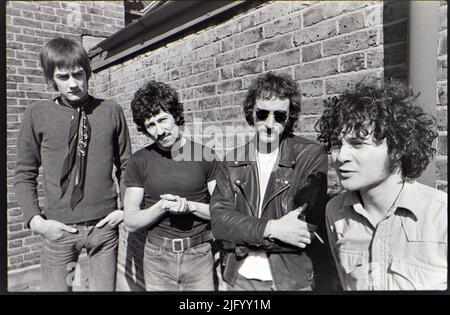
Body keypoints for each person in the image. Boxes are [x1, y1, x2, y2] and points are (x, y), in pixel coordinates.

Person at [14, 37, 131, 291]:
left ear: (88, 73)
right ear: (51, 79)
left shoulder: (111, 111)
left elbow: (127, 166)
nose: (74, 84)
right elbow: (24, 173)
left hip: (104, 229)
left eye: (78, 75)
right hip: (59, 231)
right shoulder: (37, 115)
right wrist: (37, 222)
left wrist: (124, 209)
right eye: (63, 77)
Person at [315, 80, 447, 290]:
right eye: (337, 144)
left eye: (358, 144)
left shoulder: (441, 215)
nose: (341, 157)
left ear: (397, 149)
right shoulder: (335, 212)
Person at [210, 72, 332, 291]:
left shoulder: (310, 155)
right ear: (251, 113)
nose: (269, 123)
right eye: (263, 114)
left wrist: (242, 231)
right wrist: (272, 228)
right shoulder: (233, 160)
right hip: (240, 278)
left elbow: (304, 229)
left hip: (289, 280)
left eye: (279, 116)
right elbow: (219, 222)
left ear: (290, 117)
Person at [123, 80, 218, 291]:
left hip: (199, 254)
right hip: (157, 258)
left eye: (162, 120)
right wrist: (161, 206)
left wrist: (189, 206)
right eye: (150, 125)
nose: (159, 131)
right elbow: (130, 221)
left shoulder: (205, 155)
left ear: (175, 115)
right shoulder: (139, 161)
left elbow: (224, 212)